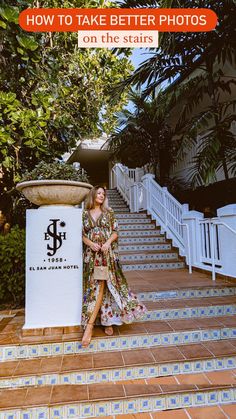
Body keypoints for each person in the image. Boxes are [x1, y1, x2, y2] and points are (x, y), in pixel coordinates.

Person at [81, 185, 147, 347]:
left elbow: (115, 231)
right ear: (93, 195)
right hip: (91, 257)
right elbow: (81, 234)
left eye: (103, 193)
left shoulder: (109, 213)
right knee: (94, 288)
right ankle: (105, 321)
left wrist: (107, 243)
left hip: (106, 256)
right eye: (99, 193)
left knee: (104, 285)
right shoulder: (84, 214)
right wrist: (90, 244)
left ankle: (90, 327)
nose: (101, 196)